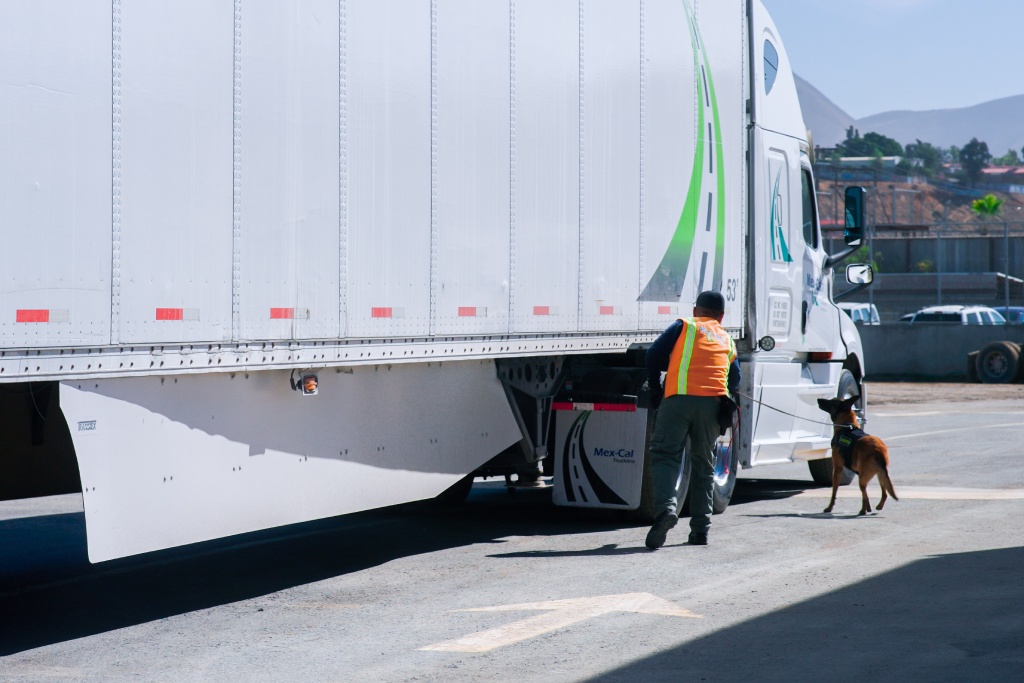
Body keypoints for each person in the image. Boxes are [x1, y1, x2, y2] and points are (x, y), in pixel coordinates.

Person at [644, 290, 740, 549]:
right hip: (712, 405)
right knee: (704, 463)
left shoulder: (684, 325)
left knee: (665, 455)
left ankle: (666, 510)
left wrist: (654, 387)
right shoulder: (727, 339)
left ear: (696, 310)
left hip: (677, 401)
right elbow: (735, 378)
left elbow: (653, 354)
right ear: (720, 316)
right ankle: (700, 531)